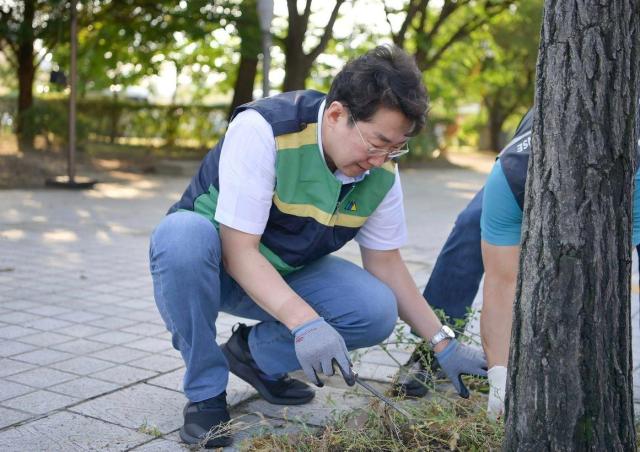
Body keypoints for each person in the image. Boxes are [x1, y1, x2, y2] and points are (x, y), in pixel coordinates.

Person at [149, 45, 487, 448]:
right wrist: (305, 323)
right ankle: (205, 394)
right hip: (213, 266)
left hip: (283, 274)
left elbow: (387, 265)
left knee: (375, 309)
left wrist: (442, 342)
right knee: (180, 237)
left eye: (395, 147)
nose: (381, 160)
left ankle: (252, 358)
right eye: (377, 142)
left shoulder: (381, 173)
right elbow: (238, 250)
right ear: (336, 115)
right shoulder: (265, 129)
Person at [397, 108, 640, 419]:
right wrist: (500, 373)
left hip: (625, 176)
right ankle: (433, 350)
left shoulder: (630, 178)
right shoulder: (514, 172)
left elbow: (608, 276)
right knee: (472, 224)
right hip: (538, 160)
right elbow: (501, 283)